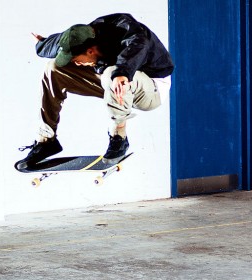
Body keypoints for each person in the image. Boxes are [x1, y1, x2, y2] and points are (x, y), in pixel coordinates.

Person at [16, 13, 174, 168]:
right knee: (54, 68)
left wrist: (122, 73)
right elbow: (55, 43)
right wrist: (42, 44)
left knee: (112, 73)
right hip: (114, 84)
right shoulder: (83, 35)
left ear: (90, 51)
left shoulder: (130, 33)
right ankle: (46, 141)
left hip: (151, 89)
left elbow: (139, 43)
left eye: (77, 60)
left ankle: (119, 137)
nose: (76, 64)